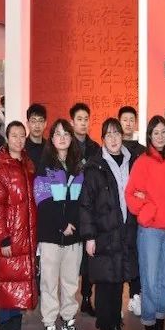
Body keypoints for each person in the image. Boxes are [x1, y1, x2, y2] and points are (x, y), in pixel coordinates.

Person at [80, 118, 139, 330]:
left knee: (118, 283)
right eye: (108, 135)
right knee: (105, 285)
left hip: (124, 232)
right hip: (103, 234)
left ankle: (115, 327)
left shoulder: (131, 161)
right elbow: (85, 204)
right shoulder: (95, 166)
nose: (113, 139)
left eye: (116, 133)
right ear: (103, 139)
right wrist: (89, 236)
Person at [125, 115, 165, 330]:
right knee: (150, 281)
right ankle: (149, 329)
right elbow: (130, 194)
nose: (160, 137)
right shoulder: (143, 161)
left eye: (163, 132)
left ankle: (160, 326)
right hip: (150, 231)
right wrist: (147, 211)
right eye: (155, 133)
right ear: (149, 136)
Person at [34, 119, 85, 330]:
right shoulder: (44, 167)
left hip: (74, 237)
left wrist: (73, 224)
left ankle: (68, 322)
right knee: (49, 283)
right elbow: (42, 201)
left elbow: (81, 201)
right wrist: (62, 224)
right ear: (51, 139)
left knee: (70, 283)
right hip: (51, 236)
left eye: (66, 134)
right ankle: (49, 326)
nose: (62, 138)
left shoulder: (79, 167)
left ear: (71, 138)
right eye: (57, 134)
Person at [0, 121, 38, 330]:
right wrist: (3, 238)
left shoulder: (27, 165)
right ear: (7, 139)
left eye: (21, 136)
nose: (18, 140)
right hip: (10, 237)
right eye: (14, 135)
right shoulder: (2, 168)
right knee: (6, 283)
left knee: (19, 283)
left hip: (26, 236)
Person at [70, 102, 100, 316]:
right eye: (79, 119)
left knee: (90, 259)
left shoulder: (95, 148)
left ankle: (87, 298)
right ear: (72, 122)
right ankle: (68, 302)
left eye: (86, 119)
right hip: (71, 209)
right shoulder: (64, 145)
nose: (83, 123)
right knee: (71, 259)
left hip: (90, 209)